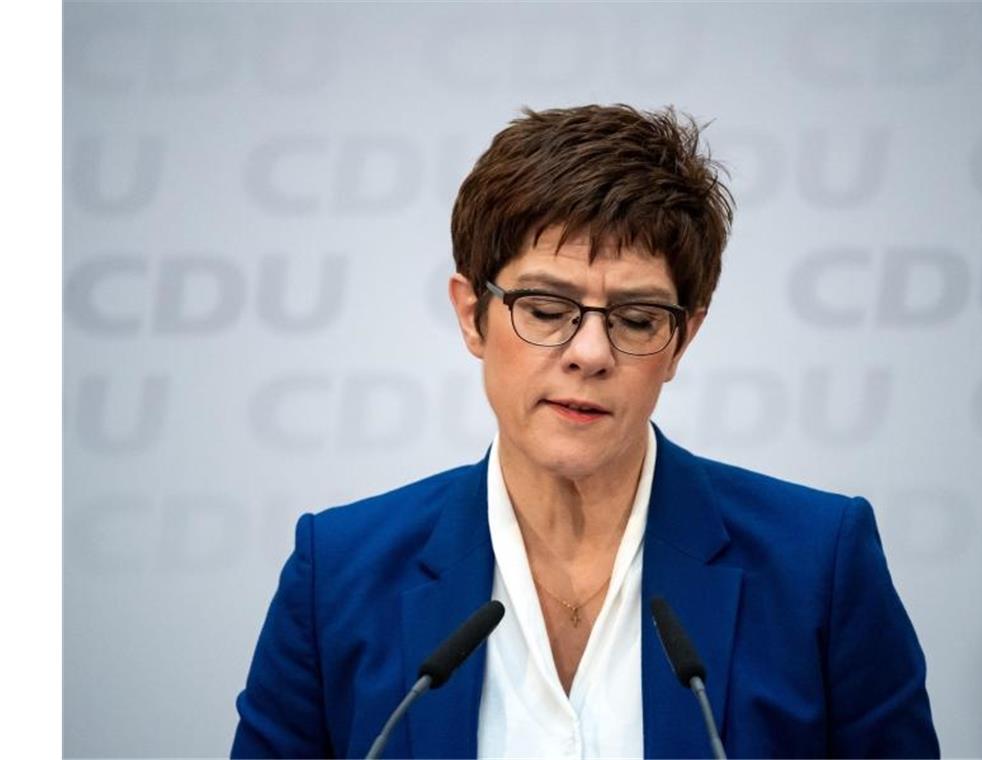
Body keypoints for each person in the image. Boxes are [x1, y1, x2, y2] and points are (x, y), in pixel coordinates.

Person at [231, 104, 940, 759]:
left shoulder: (817, 564)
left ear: (682, 341)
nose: (591, 353)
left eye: (636, 319)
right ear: (471, 315)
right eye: (545, 308)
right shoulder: (339, 575)